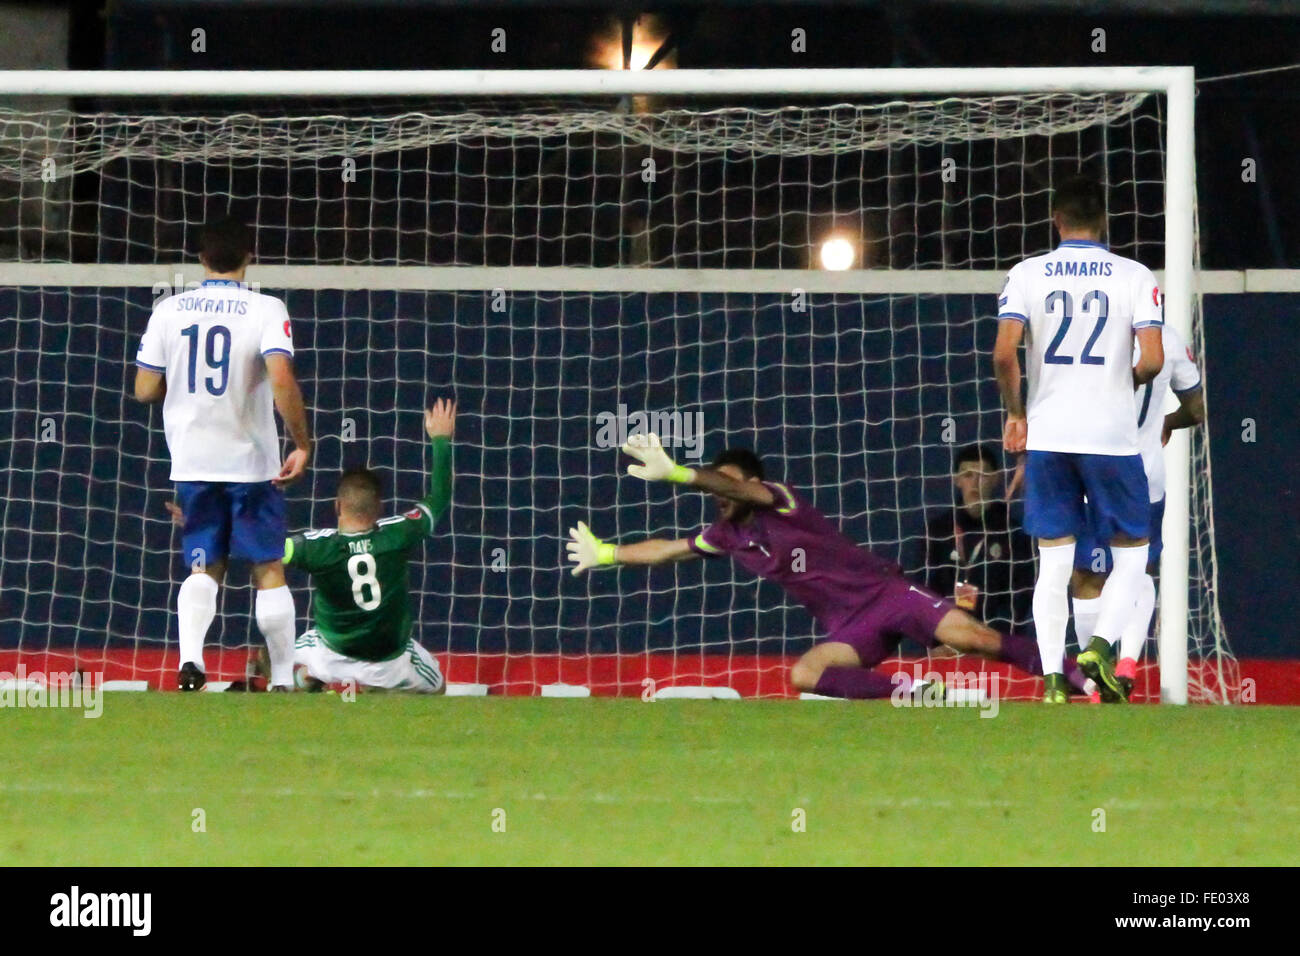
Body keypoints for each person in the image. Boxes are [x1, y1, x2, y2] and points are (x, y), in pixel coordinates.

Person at [567, 433, 1086, 700]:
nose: (717, 491)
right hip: (850, 626)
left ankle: (1075, 680)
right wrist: (609, 553)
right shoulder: (728, 535)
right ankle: (914, 694)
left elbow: (734, 486)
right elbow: (666, 549)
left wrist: (682, 473)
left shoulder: (781, 500)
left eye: (724, 482)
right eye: (712, 483)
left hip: (888, 594)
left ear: (749, 484)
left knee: (979, 639)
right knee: (804, 674)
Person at [993, 174, 1164, 703]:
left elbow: (1004, 354)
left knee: (1054, 560)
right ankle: (1103, 648)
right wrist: (1120, 381)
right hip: (1111, 437)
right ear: (1104, 223)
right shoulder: (1134, 275)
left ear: (1056, 221)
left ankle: (1050, 680)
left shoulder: (1027, 273)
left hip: (1049, 435)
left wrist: (1016, 413)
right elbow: (1153, 359)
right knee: (1133, 552)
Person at [166, 400, 454, 693]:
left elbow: (261, 546)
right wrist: (441, 439)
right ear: (377, 508)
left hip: (329, 654)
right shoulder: (400, 534)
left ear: (338, 505)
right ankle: (375, 690)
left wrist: (202, 521)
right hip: (391, 661)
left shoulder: (318, 547)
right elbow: (439, 498)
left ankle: (310, 680)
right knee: (439, 687)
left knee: (269, 655)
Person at [135, 216, 311, 692]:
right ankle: (280, 679)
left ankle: (190, 663)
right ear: (249, 256)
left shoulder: (169, 310)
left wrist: (187, 394)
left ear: (201, 258)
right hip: (252, 464)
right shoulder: (266, 308)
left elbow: (145, 386)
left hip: (193, 462)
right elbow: (280, 380)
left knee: (202, 564)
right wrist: (301, 442)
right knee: (267, 566)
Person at [1071, 324, 1205, 700]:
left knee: (1086, 576)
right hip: (1147, 477)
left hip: (1096, 473)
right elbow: (1196, 410)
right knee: (1138, 567)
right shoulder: (1170, 340)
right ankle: (1128, 661)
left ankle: (1097, 680)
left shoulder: (1089, 336)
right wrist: (1166, 422)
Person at [922, 442, 1035, 638]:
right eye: (967, 475)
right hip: (948, 641)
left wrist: (991, 640)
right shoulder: (937, 531)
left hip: (999, 641)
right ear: (956, 480)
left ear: (997, 479)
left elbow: (1021, 595)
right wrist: (937, 641)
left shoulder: (1012, 531)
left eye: (983, 475)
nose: (974, 482)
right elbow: (926, 591)